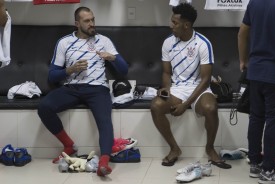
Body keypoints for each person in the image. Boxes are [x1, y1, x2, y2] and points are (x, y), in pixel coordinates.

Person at [37, 7, 128, 177]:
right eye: (87, 21)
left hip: (98, 89)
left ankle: (104, 163)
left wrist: (113, 58)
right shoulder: (64, 42)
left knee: (105, 121)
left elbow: (123, 70)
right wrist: (69, 70)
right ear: (77, 24)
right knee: (44, 107)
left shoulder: (104, 40)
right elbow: (52, 76)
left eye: (93, 20)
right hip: (72, 88)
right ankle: (69, 146)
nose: (92, 24)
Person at [150, 2, 231, 169]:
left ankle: (210, 148)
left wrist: (185, 105)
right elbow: (166, 73)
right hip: (178, 88)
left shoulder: (203, 43)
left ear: (186, 25)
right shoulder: (168, 42)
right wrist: (166, 88)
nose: (171, 25)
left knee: (210, 108)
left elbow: (205, 79)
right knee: (156, 106)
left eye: (175, 22)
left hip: (199, 88)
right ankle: (174, 149)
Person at [238, 0, 275, 183]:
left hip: (255, 71)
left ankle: (255, 164)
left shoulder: (254, 3)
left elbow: (242, 34)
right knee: (274, 119)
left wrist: (242, 61)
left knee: (256, 117)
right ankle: (269, 170)